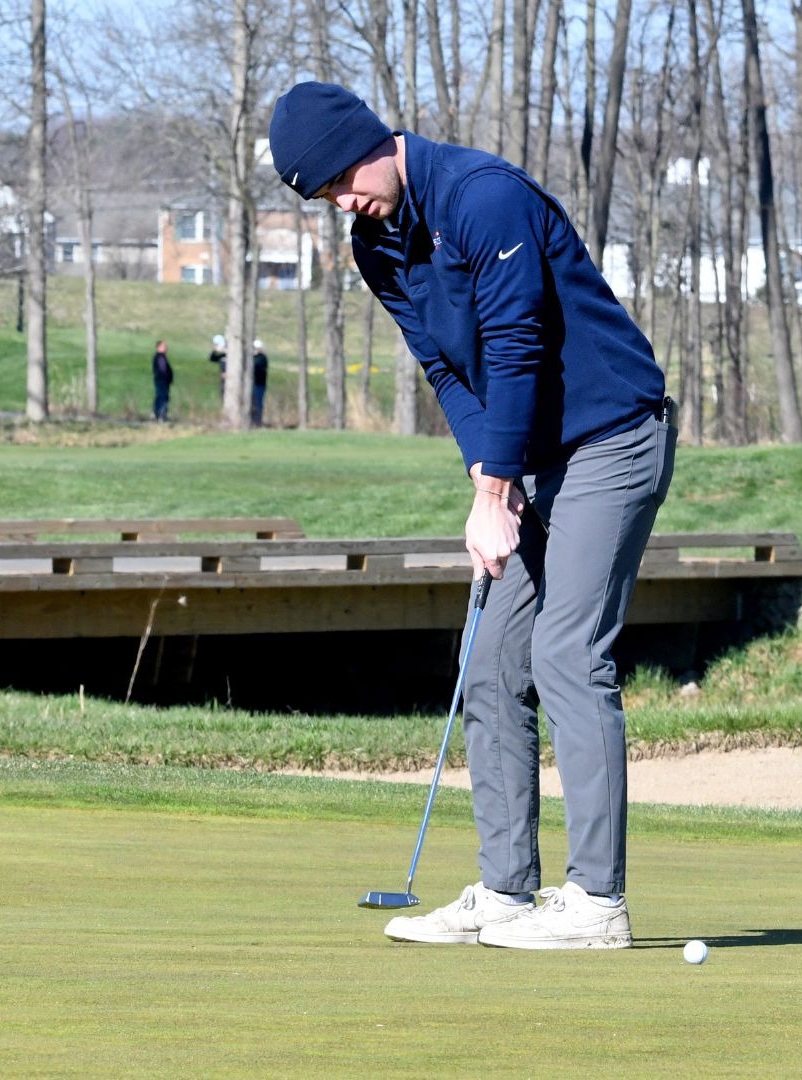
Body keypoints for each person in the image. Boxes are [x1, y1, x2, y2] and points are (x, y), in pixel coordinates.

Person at [270, 82, 674, 950]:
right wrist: (488, 474)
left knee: (568, 651)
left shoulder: (482, 197)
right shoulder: (375, 247)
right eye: (323, 195)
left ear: (372, 139)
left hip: (611, 440)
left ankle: (598, 903)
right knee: (489, 661)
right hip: (533, 456)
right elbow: (449, 372)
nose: (342, 199)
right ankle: (507, 894)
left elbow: (517, 343)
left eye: (342, 177)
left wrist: (497, 488)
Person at [152, 340, 174, 421]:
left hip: (162, 381)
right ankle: (161, 415)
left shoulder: (161, 357)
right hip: (162, 381)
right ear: (159, 347)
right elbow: (163, 370)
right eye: (164, 346)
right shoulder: (160, 357)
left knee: (160, 396)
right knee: (163, 397)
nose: (166, 348)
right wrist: (167, 378)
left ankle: (157, 413)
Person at [249, 339, 268, 426]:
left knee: (258, 403)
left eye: (257, 348)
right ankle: (251, 420)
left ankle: (257, 421)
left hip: (259, 384)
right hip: (251, 385)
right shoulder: (251, 358)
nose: (255, 350)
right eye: (254, 348)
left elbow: (257, 368)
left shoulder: (262, 358)